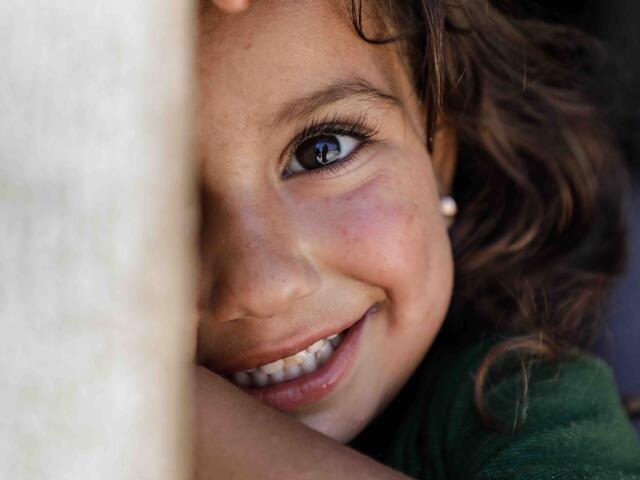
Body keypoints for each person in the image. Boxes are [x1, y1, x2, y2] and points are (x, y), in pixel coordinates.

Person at [194, 0, 640, 478]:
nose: (263, 286)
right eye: (150, 205)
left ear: (438, 158)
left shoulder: (528, 401)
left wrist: (162, 406)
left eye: (322, 151)